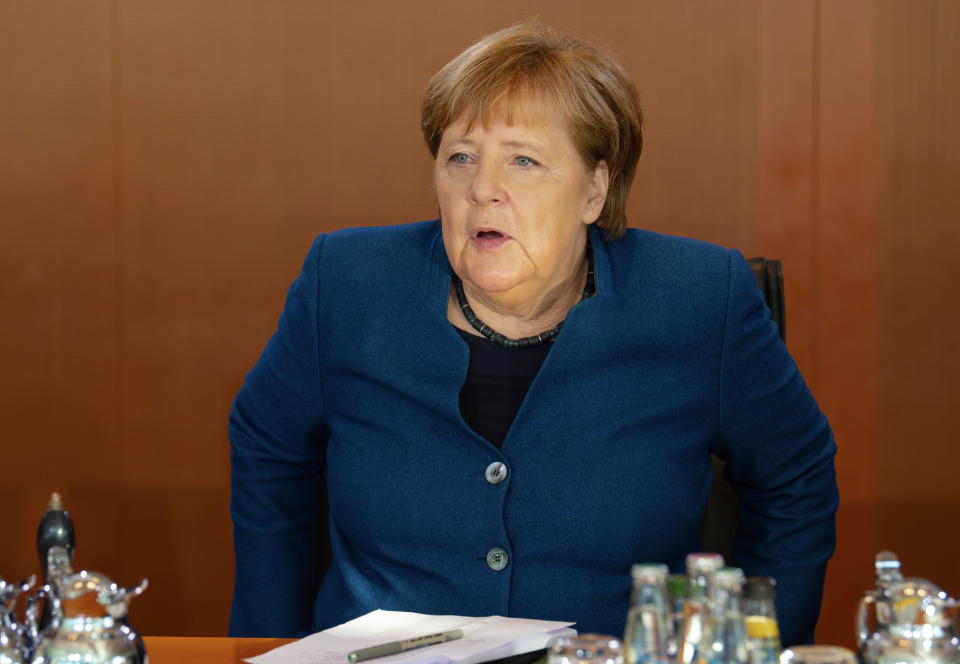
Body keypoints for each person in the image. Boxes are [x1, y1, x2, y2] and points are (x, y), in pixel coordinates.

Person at [229, 21, 838, 645]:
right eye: (460, 157)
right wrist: (268, 643)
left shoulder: (700, 298)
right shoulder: (350, 284)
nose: (482, 189)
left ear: (594, 190)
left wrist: (756, 650)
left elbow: (797, 478)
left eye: (523, 160)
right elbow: (267, 443)